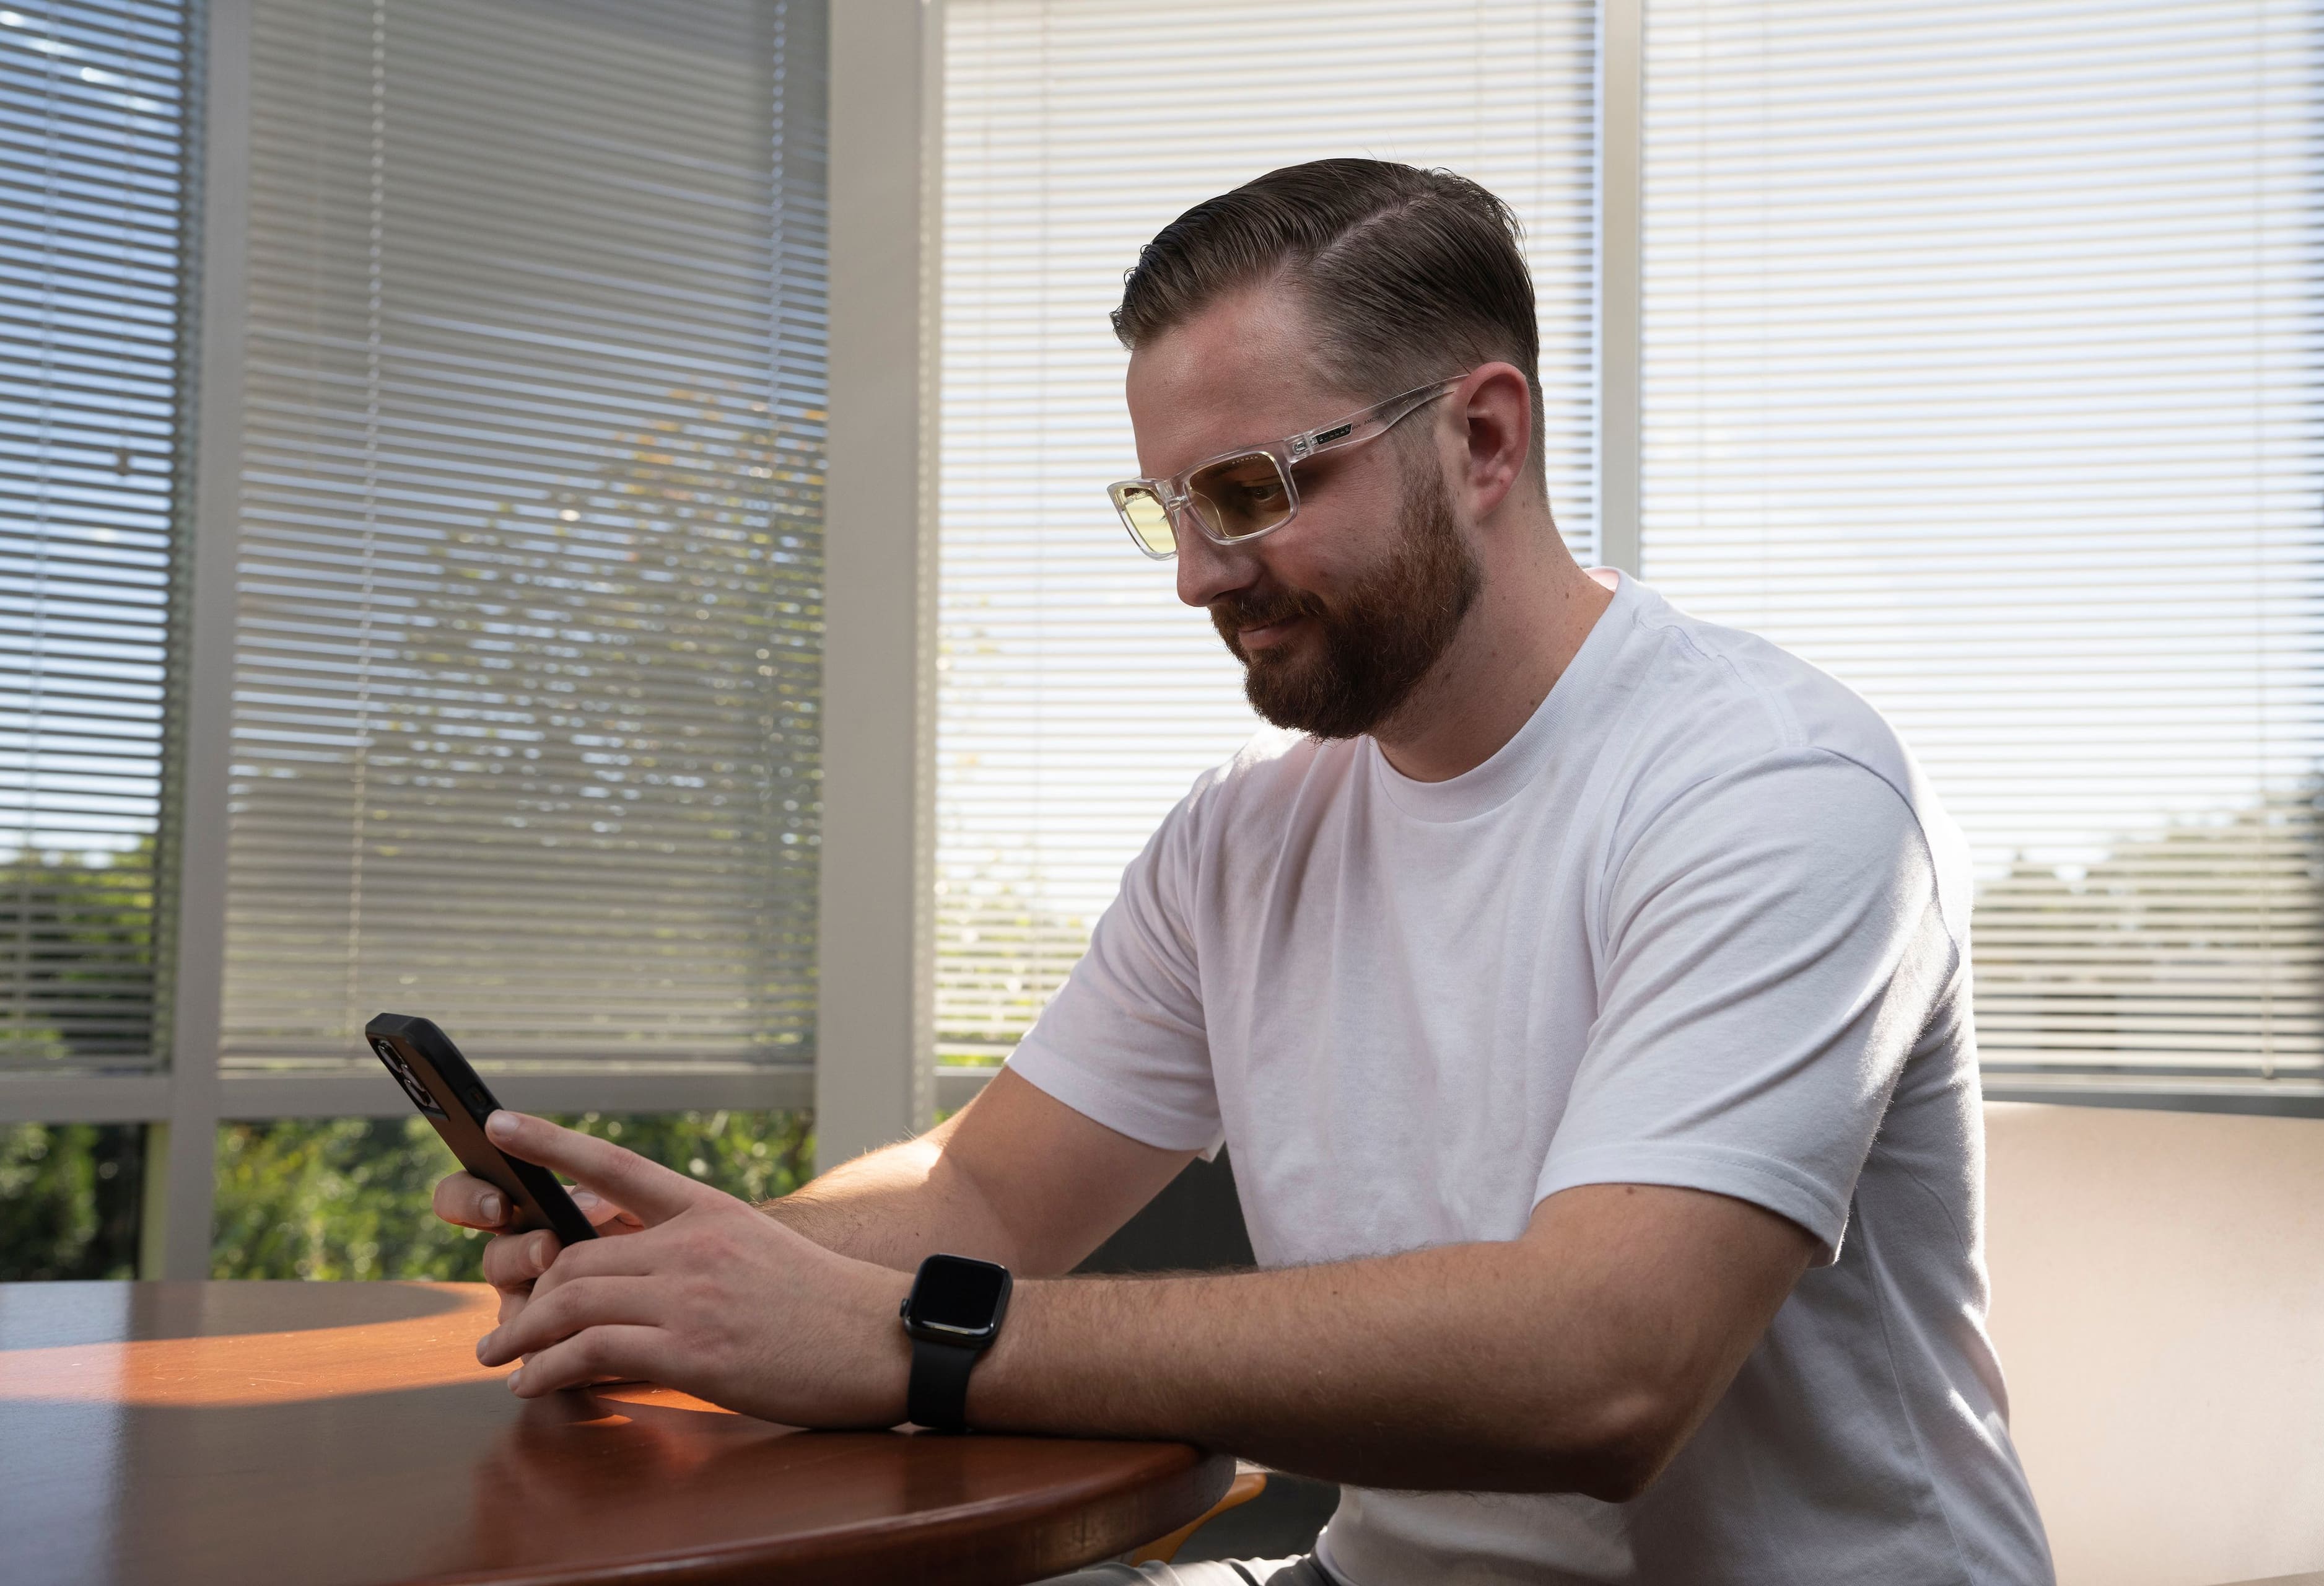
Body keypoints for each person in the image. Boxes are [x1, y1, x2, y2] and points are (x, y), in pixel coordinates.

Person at [435, 159, 2055, 1585]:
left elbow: (1604, 1372)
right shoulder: (1241, 838)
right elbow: (989, 1193)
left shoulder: (1773, 789)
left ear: (1484, 437)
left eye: (1254, 492)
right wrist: (694, 1274)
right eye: (1171, 508)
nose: (1203, 574)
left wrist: (904, 1338)